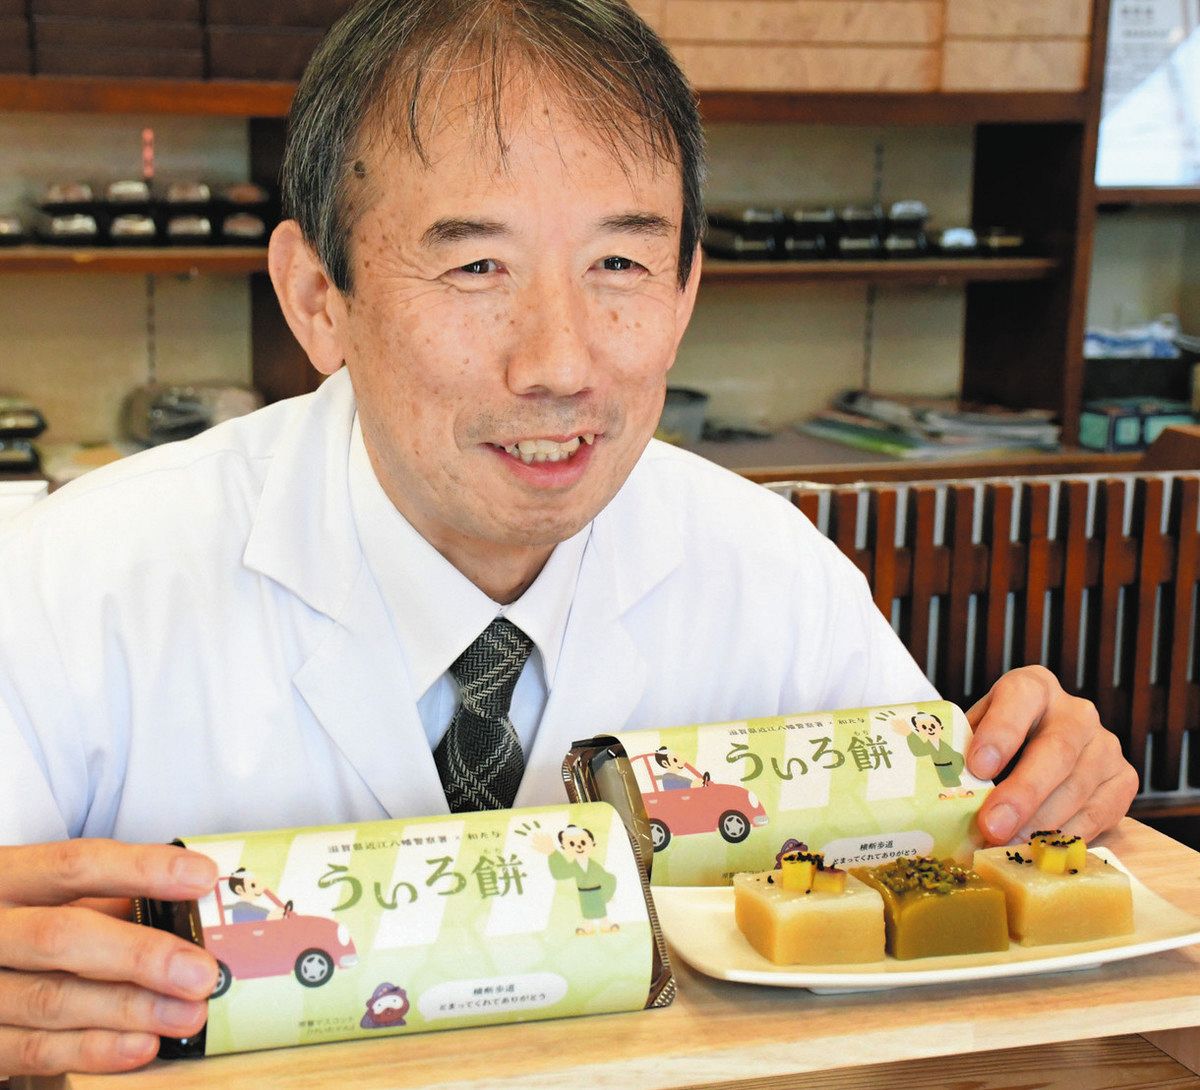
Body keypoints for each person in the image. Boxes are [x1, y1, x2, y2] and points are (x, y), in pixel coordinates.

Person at [0, 0, 1137, 1075]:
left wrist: (1043, 781)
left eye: (621, 265)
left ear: (687, 288)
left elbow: (958, 877)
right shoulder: (80, 581)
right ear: (315, 297)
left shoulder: (771, 570)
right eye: (476, 265)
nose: (559, 362)